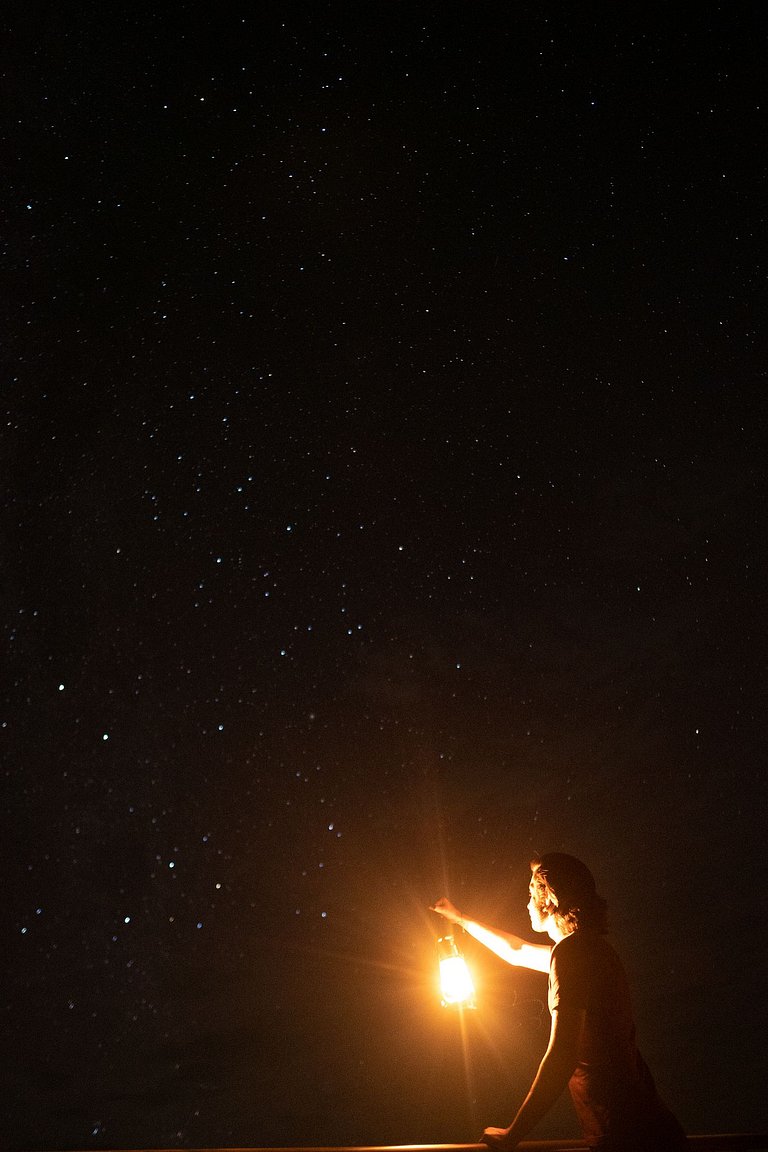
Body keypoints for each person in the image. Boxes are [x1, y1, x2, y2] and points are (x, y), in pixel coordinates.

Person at [432, 853, 687, 1152]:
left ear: (550, 898)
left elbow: (562, 1055)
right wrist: (461, 920)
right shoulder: (585, 949)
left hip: (630, 1137)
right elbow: (516, 950)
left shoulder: (572, 954)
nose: (526, 904)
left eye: (530, 893)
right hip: (643, 1131)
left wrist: (513, 1134)